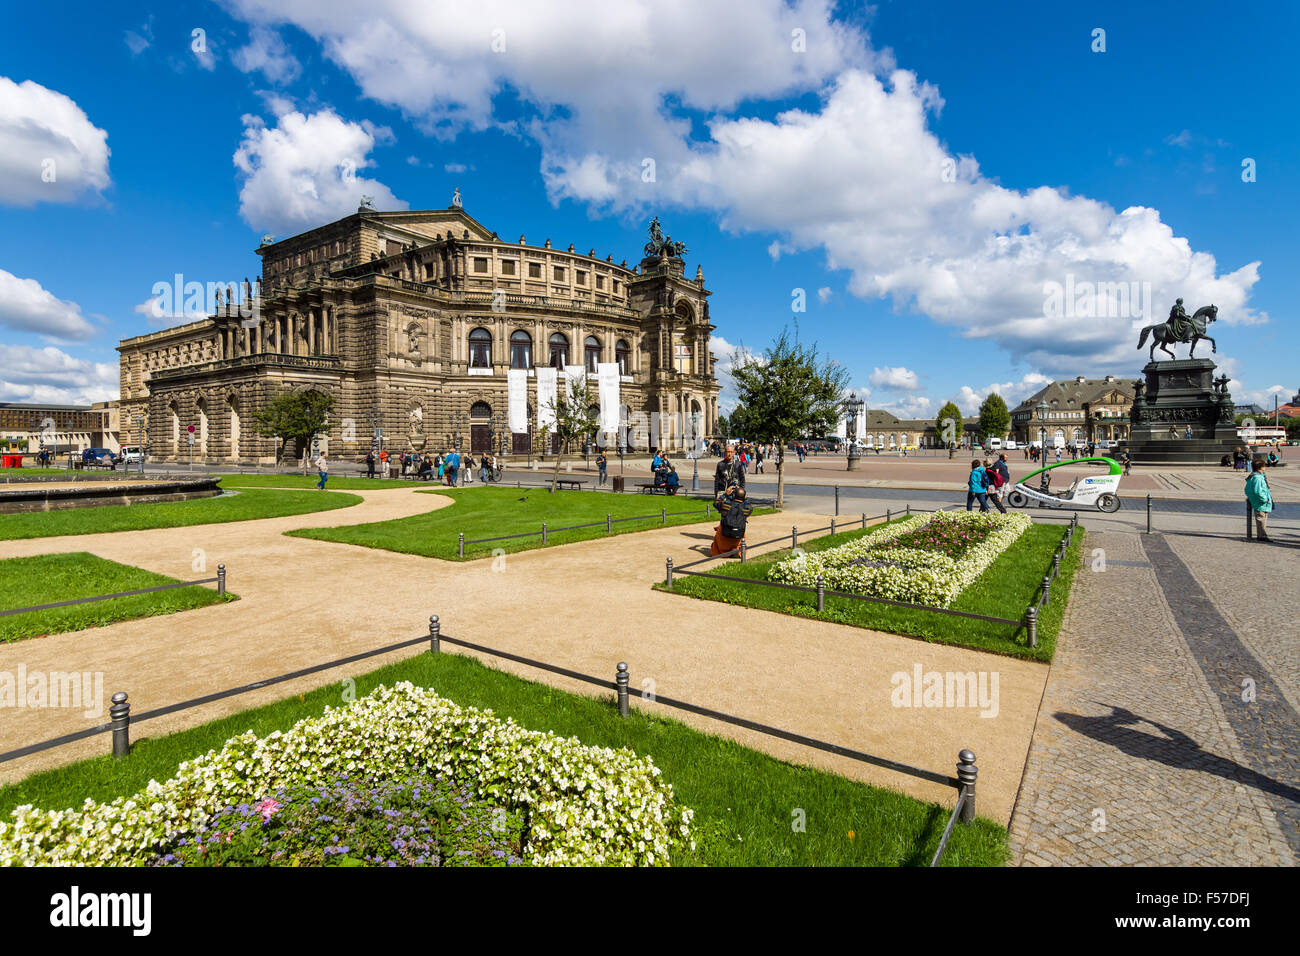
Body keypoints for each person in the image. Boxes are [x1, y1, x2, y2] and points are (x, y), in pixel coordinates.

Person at [710, 484, 753, 556]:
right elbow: (749, 505)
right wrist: (744, 496)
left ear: (733, 495)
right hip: (737, 538)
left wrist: (726, 494)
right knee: (742, 537)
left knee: (719, 529)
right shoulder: (746, 509)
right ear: (744, 497)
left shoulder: (726, 505)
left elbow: (716, 503)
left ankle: (723, 551)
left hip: (724, 538)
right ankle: (737, 551)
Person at [1245, 457, 1273, 542]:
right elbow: (1258, 491)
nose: (1265, 468)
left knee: (1262, 518)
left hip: (1258, 501)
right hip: (1260, 502)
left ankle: (1261, 535)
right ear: (1260, 467)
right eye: (1264, 466)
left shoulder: (1254, 476)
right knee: (1261, 518)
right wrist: (1264, 499)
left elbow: (1247, 489)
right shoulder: (1257, 478)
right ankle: (1262, 536)